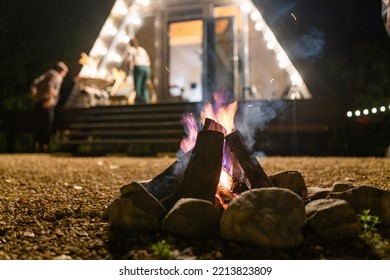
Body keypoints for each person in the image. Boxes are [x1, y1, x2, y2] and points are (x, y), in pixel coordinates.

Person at [30, 61, 68, 152]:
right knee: (47, 124)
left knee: (39, 124)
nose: (64, 75)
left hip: (38, 102)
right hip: (47, 101)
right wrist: (50, 99)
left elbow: (33, 85)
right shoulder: (55, 76)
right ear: (60, 70)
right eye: (64, 73)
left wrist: (35, 98)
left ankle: (36, 145)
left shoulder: (45, 75)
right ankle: (44, 146)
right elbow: (50, 85)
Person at [123, 38, 152, 103]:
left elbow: (129, 62)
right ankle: (147, 101)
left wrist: (127, 73)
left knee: (138, 86)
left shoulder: (130, 50)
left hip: (138, 68)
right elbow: (149, 61)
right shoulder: (142, 49)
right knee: (144, 86)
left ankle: (139, 102)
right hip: (147, 68)